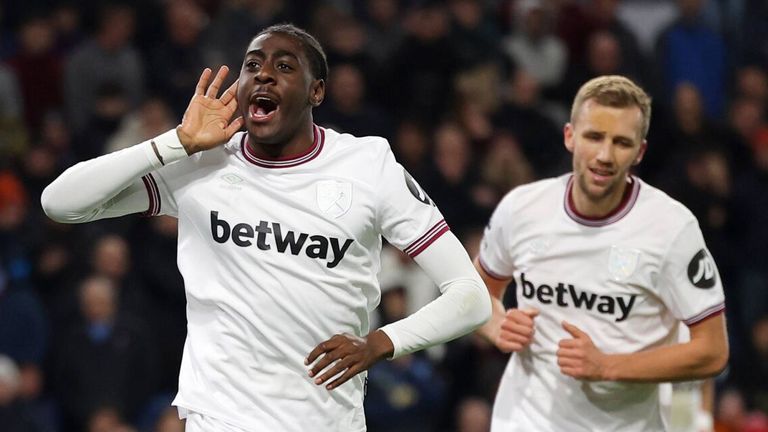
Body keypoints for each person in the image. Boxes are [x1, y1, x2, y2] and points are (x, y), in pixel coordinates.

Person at [41, 24, 491, 431]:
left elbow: (469, 297)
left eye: (284, 66)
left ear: (317, 92)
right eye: (252, 65)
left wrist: (381, 342)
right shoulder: (202, 165)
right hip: (219, 416)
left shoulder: (368, 166)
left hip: (327, 420)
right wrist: (173, 142)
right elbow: (60, 204)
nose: (263, 75)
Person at [474, 75, 728, 431]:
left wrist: (607, 366)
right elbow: (475, 292)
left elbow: (712, 351)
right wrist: (494, 325)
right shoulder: (522, 209)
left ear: (640, 151)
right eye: (594, 136)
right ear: (569, 136)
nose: (605, 155)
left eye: (621, 142)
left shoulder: (671, 229)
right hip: (525, 419)